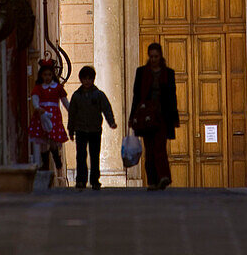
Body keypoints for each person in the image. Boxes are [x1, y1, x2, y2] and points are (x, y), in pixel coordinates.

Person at [129, 42, 180, 190]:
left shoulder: (168, 73)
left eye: (156, 56)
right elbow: (136, 96)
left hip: (162, 116)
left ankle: (164, 177)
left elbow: (172, 96)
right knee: (149, 149)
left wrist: (174, 117)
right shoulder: (141, 73)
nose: (153, 59)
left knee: (160, 147)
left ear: (160, 56)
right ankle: (152, 181)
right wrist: (132, 117)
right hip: (145, 115)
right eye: (151, 56)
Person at [67, 65, 117, 191]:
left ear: (93, 79)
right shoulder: (76, 96)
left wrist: (111, 122)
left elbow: (106, 109)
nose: (87, 81)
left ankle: (95, 180)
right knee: (81, 156)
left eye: (90, 79)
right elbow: (72, 113)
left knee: (95, 156)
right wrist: (71, 130)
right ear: (81, 80)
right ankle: (81, 180)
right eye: (85, 79)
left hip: (95, 130)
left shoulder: (98, 95)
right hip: (80, 130)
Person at [28, 59, 70, 173]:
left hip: (54, 115)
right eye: (45, 74)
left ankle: (56, 157)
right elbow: (35, 99)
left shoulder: (58, 88)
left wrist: (71, 111)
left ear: (53, 75)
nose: (47, 77)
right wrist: (37, 108)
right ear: (41, 75)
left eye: (49, 74)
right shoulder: (38, 88)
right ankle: (45, 163)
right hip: (41, 115)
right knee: (42, 139)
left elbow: (65, 101)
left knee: (53, 138)